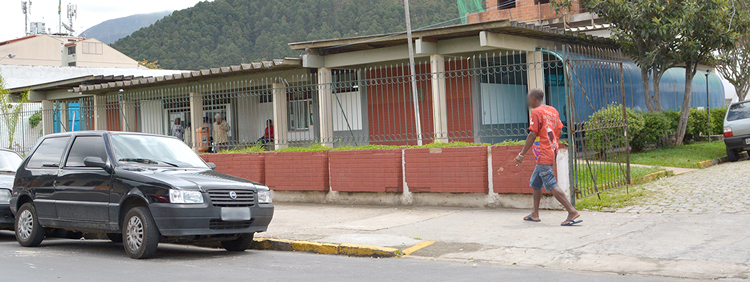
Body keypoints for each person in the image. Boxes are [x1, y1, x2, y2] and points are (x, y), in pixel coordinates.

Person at [515, 88, 581, 226]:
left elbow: (532, 134)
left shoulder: (536, 112)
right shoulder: (553, 111)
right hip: (552, 150)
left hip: (543, 152)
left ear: (533, 98)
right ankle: (535, 213)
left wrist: (521, 154)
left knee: (550, 183)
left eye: (529, 98)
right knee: (536, 182)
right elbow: (560, 130)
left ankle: (571, 211)